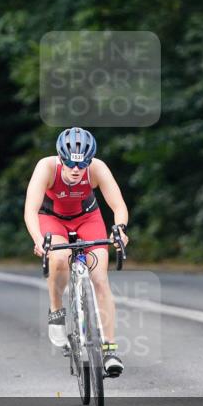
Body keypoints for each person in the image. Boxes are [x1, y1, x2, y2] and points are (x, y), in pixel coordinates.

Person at [24, 127, 129, 377]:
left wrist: (120, 229)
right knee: (59, 258)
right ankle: (56, 310)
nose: (75, 170)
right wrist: (39, 240)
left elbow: (118, 205)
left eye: (81, 165)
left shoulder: (98, 169)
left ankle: (110, 350)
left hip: (87, 218)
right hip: (52, 219)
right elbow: (30, 210)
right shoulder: (46, 167)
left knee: (100, 279)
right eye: (70, 163)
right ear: (61, 158)